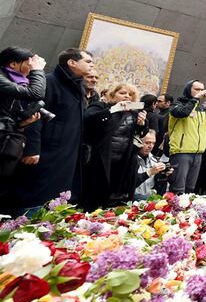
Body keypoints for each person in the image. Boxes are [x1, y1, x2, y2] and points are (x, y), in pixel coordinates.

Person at [18, 48, 94, 214]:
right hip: (46, 151)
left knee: (56, 202)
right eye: (88, 61)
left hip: (67, 152)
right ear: (72, 62)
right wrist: (32, 148)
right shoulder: (49, 82)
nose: (92, 65)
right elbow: (34, 116)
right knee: (36, 197)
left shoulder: (78, 87)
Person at [81, 82, 150, 209]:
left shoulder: (134, 112)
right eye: (122, 93)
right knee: (94, 195)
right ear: (113, 94)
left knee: (115, 196)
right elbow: (88, 119)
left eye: (130, 94)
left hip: (122, 160)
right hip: (100, 158)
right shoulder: (101, 106)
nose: (127, 96)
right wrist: (113, 109)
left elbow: (141, 133)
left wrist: (142, 124)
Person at [0, 47, 46, 205]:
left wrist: (21, 124)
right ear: (13, 64)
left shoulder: (18, 83)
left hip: (6, 142)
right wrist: (38, 70)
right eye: (29, 63)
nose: (32, 67)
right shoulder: (2, 78)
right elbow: (36, 93)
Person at [166, 80, 206, 193]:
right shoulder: (177, 105)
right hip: (181, 152)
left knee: (190, 189)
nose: (200, 92)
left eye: (202, 89)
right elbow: (183, 113)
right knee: (178, 188)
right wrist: (195, 98)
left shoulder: (201, 108)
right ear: (188, 89)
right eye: (197, 89)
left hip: (198, 153)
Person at [134, 130, 168, 199]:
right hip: (132, 199)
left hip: (150, 200)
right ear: (137, 142)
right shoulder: (129, 160)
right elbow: (127, 184)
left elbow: (159, 189)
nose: (150, 146)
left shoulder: (155, 160)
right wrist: (149, 172)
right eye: (147, 143)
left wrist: (164, 175)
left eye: (153, 143)